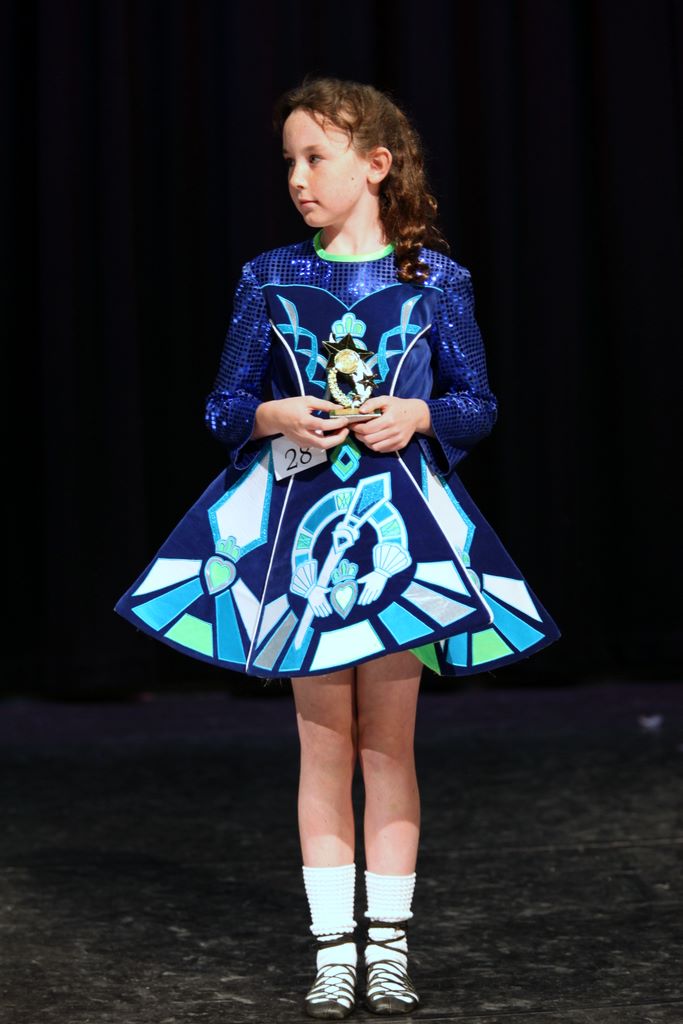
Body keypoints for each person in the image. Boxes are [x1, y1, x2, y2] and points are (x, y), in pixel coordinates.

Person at [115, 76, 560, 1018]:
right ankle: (333, 952)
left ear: (376, 164)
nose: (297, 177)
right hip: (300, 537)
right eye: (289, 160)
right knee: (322, 746)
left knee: (386, 746)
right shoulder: (269, 277)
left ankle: (387, 949)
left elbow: (477, 404)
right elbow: (223, 407)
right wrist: (272, 413)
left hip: (398, 535)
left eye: (316, 157)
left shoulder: (434, 281)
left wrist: (421, 414)